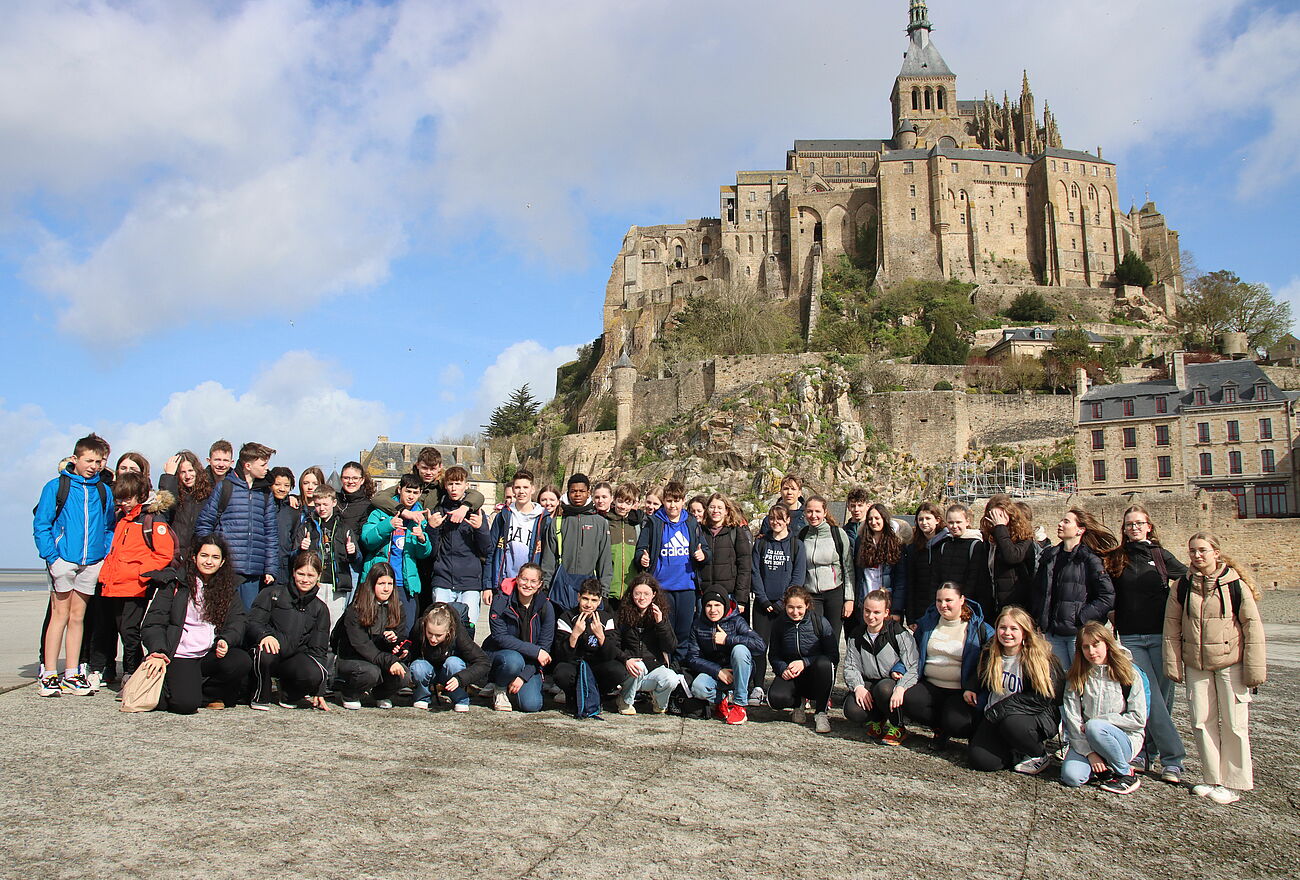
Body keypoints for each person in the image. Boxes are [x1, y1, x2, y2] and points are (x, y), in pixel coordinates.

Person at [1164, 533, 1267, 805]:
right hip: (1197, 663)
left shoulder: (1235, 585)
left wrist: (1254, 669)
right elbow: (1172, 626)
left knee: (1234, 723)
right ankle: (1213, 778)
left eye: (1203, 551)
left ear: (1216, 553)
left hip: (1230, 661)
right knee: (1201, 721)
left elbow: (1252, 628)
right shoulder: (1183, 586)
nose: (1197, 556)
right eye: (1193, 551)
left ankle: (1235, 782)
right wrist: (1173, 661)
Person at [34, 432, 115, 697]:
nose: (94, 466)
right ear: (75, 458)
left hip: (91, 562)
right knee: (59, 616)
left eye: (99, 461)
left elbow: (108, 527)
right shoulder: (56, 486)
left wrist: (102, 554)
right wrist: (52, 557)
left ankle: (72, 673)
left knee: (78, 617)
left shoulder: (103, 490)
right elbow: (42, 524)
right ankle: (49, 673)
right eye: (89, 460)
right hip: (63, 560)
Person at [1112, 504, 1188, 782]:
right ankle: (1173, 758)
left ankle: (1148, 752)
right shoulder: (1117, 558)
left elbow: (1188, 579)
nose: (1134, 528)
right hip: (1131, 637)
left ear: (1149, 526)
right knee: (1150, 697)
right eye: (1129, 524)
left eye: (1138, 523)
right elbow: (1109, 592)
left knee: (1163, 700)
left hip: (1160, 635)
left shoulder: (1161, 556)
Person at [140, 535, 252, 713]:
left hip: (209, 652)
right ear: (194, 557)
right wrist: (157, 650)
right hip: (179, 653)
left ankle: (202, 693)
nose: (209, 562)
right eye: (204, 556)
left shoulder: (227, 588)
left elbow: (238, 620)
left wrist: (226, 639)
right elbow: (154, 622)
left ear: (222, 562)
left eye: (215, 557)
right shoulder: (175, 583)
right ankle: (171, 689)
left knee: (241, 661)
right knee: (185, 705)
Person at [92, 470, 176, 690]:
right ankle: (125, 669)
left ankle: (133, 671)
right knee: (119, 629)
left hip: (135, 586)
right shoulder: (122, 518)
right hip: (114, 584)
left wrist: (140, 572)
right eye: (120, 499)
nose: (123, 503)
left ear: (140, 495)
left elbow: (164, 553)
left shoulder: (151, 519)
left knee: (130, 631)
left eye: (127, 499)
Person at [967, 606, 1063, 774]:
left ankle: (1038, 754)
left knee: (1012, 724)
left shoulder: (1039, 658)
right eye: (1002, 628)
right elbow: (979, 674)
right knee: (981, 760)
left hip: (1030, 717)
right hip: (996, 715)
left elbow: (1043, 698)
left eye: (1014, 628)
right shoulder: (991, 653)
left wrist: (998, 711)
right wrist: (970, 688)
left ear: (1024, 632)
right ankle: (1016, 753)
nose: (1007, 633)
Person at [1060, 621, 1148, 794]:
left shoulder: (1129, 673)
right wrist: (1089, 753)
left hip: (1121, 740)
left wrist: (1099, 721)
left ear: (1108, 644)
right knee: (1072, 777)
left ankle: (1125, 774)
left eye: (1096, 645)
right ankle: (1102, 769)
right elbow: (1073, 718)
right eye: (1086, 647)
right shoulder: (1076, 676)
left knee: (1095, 726)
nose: (1091, 652)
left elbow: (1138, 719)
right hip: (1087, 740)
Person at [902, 582, 993, 746]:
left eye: (948, 600)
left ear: (962, 600)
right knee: (909, 700)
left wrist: (974, 686)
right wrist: (899, 670)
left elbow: (989, 662)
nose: (943, 605)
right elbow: (911, 651)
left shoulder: (979, 628)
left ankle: (950, 728)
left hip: (960, 690)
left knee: (957, 722)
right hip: (931, 685)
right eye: (939, 601)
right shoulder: (927, 623)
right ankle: (939, 728)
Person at [194, 441, 280, 610]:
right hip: (227, 569)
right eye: (263, 464)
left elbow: (270, 533)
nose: (266, 469)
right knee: (223, 618)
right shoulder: (225, 487)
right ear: (248, 465)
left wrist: (271, 568)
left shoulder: (265, 493)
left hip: (254, 572)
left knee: (248, 621)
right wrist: (211, 558)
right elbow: (204, 525)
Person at [246, 550, 331, 711]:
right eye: (301, 574)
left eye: (310, 575)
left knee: (315, 673)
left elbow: (319, 651)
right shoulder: (272, 594)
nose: (305, 579)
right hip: (270, 652)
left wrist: (320, 688)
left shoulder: (320, 609)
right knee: (265, 653)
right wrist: (264, 636)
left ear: (318, 576)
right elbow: (252, 622)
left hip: (293, 659)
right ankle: (260, 694)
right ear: (293, 572)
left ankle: (289, 694)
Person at [1032, 508, 1117, 670]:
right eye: (1061, 520)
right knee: (1060, 683)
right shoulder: (1050, 556)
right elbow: (1038, 591)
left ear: (1080, 530)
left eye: (1066, 521)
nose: (1060, 524)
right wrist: (1040, 618)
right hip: (1053, 634)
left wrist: (1082, 617)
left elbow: (1107, 596)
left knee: (1083, 680)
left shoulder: (1090, 559)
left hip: (1078, 634)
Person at [635, 480, 708, 658]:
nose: (672, 505)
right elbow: (640, 549)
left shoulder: (691, 523)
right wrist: (642, 558)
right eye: (669, 500)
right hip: (662, 587)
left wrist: (703, 555)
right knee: (664, 629)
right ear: (664, 501)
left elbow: (704, 549)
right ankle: (664, 665)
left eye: (676, 500)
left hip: (686, 586)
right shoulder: (654, 522)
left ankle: (680, 667)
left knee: (684, 630)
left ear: (683, 501)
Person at [843, 589, 918, 745]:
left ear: (886, 612)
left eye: (877, 612)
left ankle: (898, 726)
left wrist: (901, 687)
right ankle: (877, 720)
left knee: (883, 689)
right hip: (870, 681)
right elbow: (851, 666)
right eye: (867, 611)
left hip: (891, 684)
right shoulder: (857, 635)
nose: (871, 616)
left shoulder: (897, 632)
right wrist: (858, 687)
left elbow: (914, 664)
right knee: (852, 709)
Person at [749, 504, 807, 704]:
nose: (776, 523)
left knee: (784, 646)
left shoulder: (796, 545)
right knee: (759, 646)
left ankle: (784, 683)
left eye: (780, 519)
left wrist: (784, 602)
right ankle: (757, 686)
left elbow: (798, 576)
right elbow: (754, 573)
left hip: (786, 607)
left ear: (788, 520)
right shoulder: (761, 543)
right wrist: (763, 599)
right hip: (762, 604)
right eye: (773, 519)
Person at [360, 474, 433, 627]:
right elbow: (367, 540)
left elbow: (424, 554)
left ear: (420, 494)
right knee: (374, 626)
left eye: (415, 493)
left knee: (405, 630)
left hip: (405, 582)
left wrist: (422, 539)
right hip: (379, 580)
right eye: (408, 491)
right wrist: (388, 525)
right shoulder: (380, 513)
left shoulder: (420, 517)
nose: (411, 496)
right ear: (399, 489)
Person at [335, 562, 410, 710]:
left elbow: (401, 637)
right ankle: (350, 694)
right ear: (372, 584)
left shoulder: (398, 607)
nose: (386, 588)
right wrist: (389, 661)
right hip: (352, 658)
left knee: (405, 675)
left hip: (380, 658)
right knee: (370, 672)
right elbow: (362, 645)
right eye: (381, 583)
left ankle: (380, 694)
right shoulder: (356, 608)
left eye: (390, 583)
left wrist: (398, 646)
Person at [684, 590, 765, 725]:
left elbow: (760, 645)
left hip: (739, 671)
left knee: (740, 650)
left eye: (717, 605)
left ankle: (739, 704)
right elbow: (692, 658)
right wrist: (718, 671)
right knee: (698, 688)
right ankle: (724, 699)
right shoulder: (698, 625)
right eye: (709, 605)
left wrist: (728, 639)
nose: (713, 610)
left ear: (725, 606)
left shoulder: (737, 621)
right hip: (715, 673)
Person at [484, 562, 555, 713]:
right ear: (517, 579)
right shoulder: (501, 601)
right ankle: (500, 688)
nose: (528, 585)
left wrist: (523, 677)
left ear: (539, 584)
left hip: (530, 663)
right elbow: (500, 637)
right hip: (502, 655)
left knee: (532, 705)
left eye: (533, 581)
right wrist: (535, 651)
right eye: (524, 579)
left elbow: (545, 649)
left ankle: (516, 681)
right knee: (513, 660)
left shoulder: (546, 607)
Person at [768, 585, 837, 734]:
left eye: (799, 607)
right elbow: (773, 655)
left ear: (807, 605)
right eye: (790, 607)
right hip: (793, 676)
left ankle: (821, 712)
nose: (795, 612)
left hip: (815, 676)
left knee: (825, 664)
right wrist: (782, 669)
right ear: (785, 606)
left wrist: (805, 662)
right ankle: (797, 704)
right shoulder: (779, 624)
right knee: (775, 699)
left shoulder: (820, 622)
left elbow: (833, 656)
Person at [428, 466, 491, 627]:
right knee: (441, 627)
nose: (454, 488)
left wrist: (481, 529)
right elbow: (432, 552)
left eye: (458, 483)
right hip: (443, 580)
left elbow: (486, 549)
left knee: (467, 627)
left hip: (469, 581)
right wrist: (432, 529)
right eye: (450, 484)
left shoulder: (475, 512)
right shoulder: (439, 510)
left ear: (466, 485)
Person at [291, 486, 361, 632]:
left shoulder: (344, 528)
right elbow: (293, 557)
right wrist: (301, 550)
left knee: (334, 627)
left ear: (334, 503)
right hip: (314, 584)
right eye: (318, 505)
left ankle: (331, 655)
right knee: (311, 626)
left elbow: (357, 560)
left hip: (337, 585)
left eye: (325, 504)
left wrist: (352, 553)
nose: (321, 508)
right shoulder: (307, 527)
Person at [541, 473, 612, 615]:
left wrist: (604, 592)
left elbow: (605, 559)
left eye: (581, 491)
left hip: (590, 587)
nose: (577, 494)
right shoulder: (558, 522)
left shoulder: (600, 523)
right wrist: (545, 586)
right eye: (573, 491)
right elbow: (548, 558)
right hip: (561, 585)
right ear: (568, 493)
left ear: (588, 493)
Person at [552, 579, 626, 714]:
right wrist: (574, 635)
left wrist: (601, 637)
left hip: (597, 666)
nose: (588, 604)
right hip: (575, 665)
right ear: (578, 597)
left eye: (593, 600)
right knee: (561, 671)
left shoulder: (606, 619)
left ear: (599, 602)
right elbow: (560, 655)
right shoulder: (566, 617)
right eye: (585, 599)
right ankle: (572, 696)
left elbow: (612, 653)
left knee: (618, 670)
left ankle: (599, 696)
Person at [613, 574, 681, 715]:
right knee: (638, 667)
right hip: (631, 668)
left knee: (671, 678)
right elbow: (614, 642)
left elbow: (671, 646)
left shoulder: (660, 614)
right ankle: (625, 701)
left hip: (653, 666)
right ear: (631, 594)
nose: (641, 598)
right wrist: (625, 659)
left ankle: (658, 702)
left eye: (646, 594)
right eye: (637, 593)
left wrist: (660, 623)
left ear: (654, 595)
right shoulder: (623, 614)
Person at [408, 602, 490, 712]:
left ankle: (460, 698)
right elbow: (411, 653)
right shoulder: (419, 627)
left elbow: (484, 662)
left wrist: (460, 679)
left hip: (451, 673)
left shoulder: (458, 633)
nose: (433, 639)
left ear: (448, 631)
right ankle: (422, 696)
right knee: (418, 666)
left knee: (453, 663)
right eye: (429, 633)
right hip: (428, 669)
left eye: (438, 635)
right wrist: (405, 653)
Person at [485, 469, 546, 607]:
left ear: (533, 489)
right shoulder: (504, 516)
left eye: (525, 487)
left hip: (530, 585)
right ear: (513, 489)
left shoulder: (543, 518)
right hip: (505, 582)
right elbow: (491, 552)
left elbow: (547, 556)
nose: (521, 491)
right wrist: (488, 585)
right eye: (517, 487)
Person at [798, 495, 855, 645]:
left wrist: (849, 598)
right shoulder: (802, 535)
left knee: (832, 639)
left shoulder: (837, 534)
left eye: (817, 511)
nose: (813, 515)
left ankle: (831, 669)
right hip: (811, 595)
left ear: (825, 512)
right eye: (809, 511)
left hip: (834, 593)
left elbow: (848, 567)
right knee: (813, 638)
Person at [977, 494, 1038, 617]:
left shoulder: (1024, 539)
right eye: (992, 517)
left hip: (1015, 606)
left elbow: (1011, 556)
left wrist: (1000, 527)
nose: (995, 521)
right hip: (992, 606)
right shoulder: (987, 541)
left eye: (999, 517)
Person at [698, 492, 753, 613]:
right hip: (705, 594)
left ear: (726, 511)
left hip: (729, 595)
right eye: (712, 507)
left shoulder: (736, 532)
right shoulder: (700, 531)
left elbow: (745, 567)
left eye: (719, 508)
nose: (715, 511)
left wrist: (741, 599)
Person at [898, 501, 946, 625]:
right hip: (920, 608)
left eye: (928, 518)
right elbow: (911, 583)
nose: (924, 523)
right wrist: (910, 617)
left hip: (942, 606)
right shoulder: (913, 548)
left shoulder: (947, 544)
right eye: (920, 519)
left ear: (937, 520)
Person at [159, 450, 213, 558]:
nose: (187, 476)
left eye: (190, 470)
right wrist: (169, 476)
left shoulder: (209, 494)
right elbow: (164, 512)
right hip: (175, 555)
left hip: (198, 555)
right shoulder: (175, 494)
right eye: (183, 472)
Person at [854, 502, 906, 612]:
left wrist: (896, 608)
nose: (873, 522)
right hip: (865, 599)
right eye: (870, 519)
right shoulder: (860, 541)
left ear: (884, 519)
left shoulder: (896, 543)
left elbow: (900, 578)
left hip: (887, 601)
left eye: (877, 518)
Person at [602, 483, 644, 610]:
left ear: (632, 505)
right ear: (614, 500)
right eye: (620, 501)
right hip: (608, 590)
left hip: (631, 590)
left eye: (627, 503)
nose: (622, 506)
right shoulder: (605, 522)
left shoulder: (637, 526)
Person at [930, 504, 984, 602]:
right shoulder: (943, 545)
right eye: (950, 522)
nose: (954, 526)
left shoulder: (975, 545)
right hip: (945, 602)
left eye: (958, 522)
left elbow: (974, 579)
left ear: (967, 522)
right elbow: (936, 576)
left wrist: (963, 602)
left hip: (965, 601)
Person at [336, 461, 376, 578]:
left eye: (354, 478)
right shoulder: (333, 500)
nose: (350, 481)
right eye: (346, 478)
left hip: (354, 562)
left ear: (362, 480)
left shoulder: (368, 506)